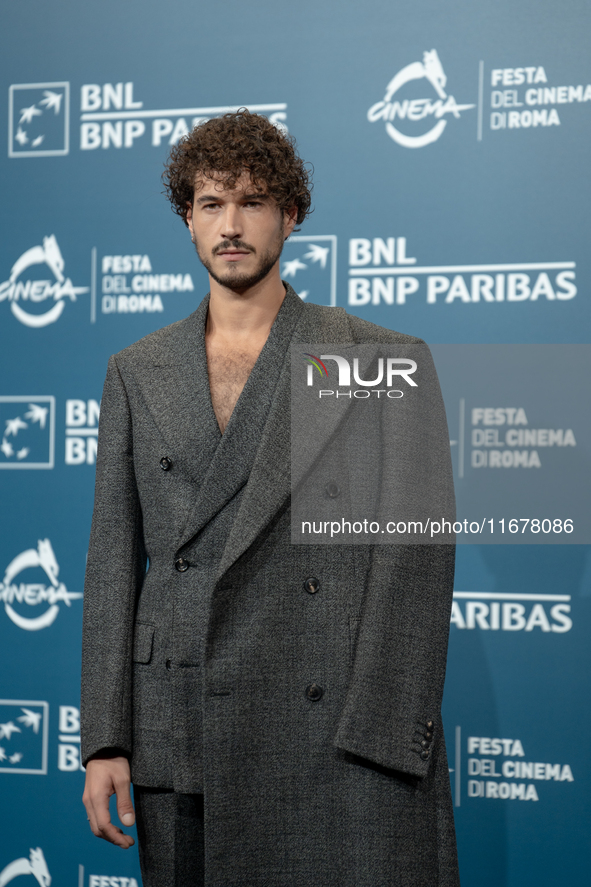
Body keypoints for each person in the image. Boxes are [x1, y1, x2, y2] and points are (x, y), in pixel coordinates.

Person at [81, 110, 459, 887]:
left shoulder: (378, 358)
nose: (230, 224)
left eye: (252, 202)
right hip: (182, 729)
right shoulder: (135, 370)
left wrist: (383, 740)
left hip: (336, 740)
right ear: (186, 217)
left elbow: (416, 565)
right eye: (211, 203)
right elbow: (114, 562)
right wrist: (106, 739)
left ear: (290, 215)